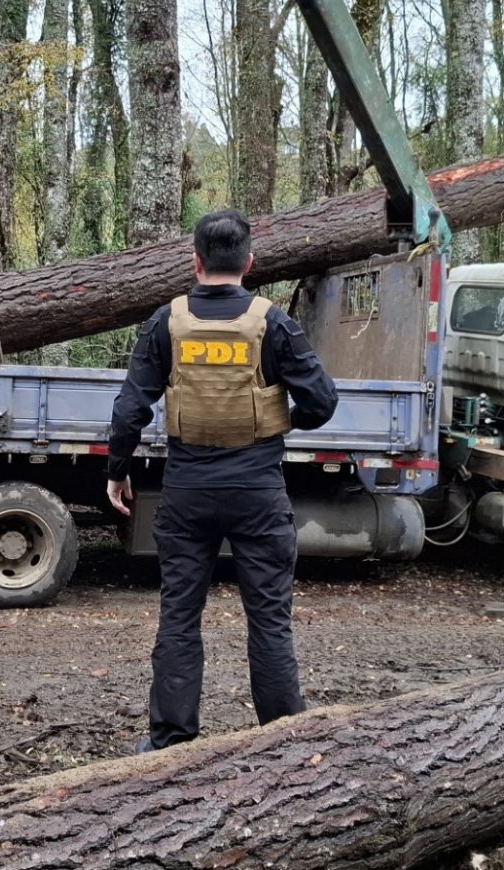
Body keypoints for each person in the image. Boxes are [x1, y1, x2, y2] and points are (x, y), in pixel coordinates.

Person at [106, 209, 338, 752]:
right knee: (269, 620)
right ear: (248, 263)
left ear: (196, 261)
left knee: (180, 616)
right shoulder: (271, 322)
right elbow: (323, 401)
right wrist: (277, 419)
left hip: (187, 491)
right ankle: (283, 739)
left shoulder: (167, 320)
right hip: (258, 489)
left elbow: (129, 410)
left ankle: (170, 740)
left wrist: (117, 471)